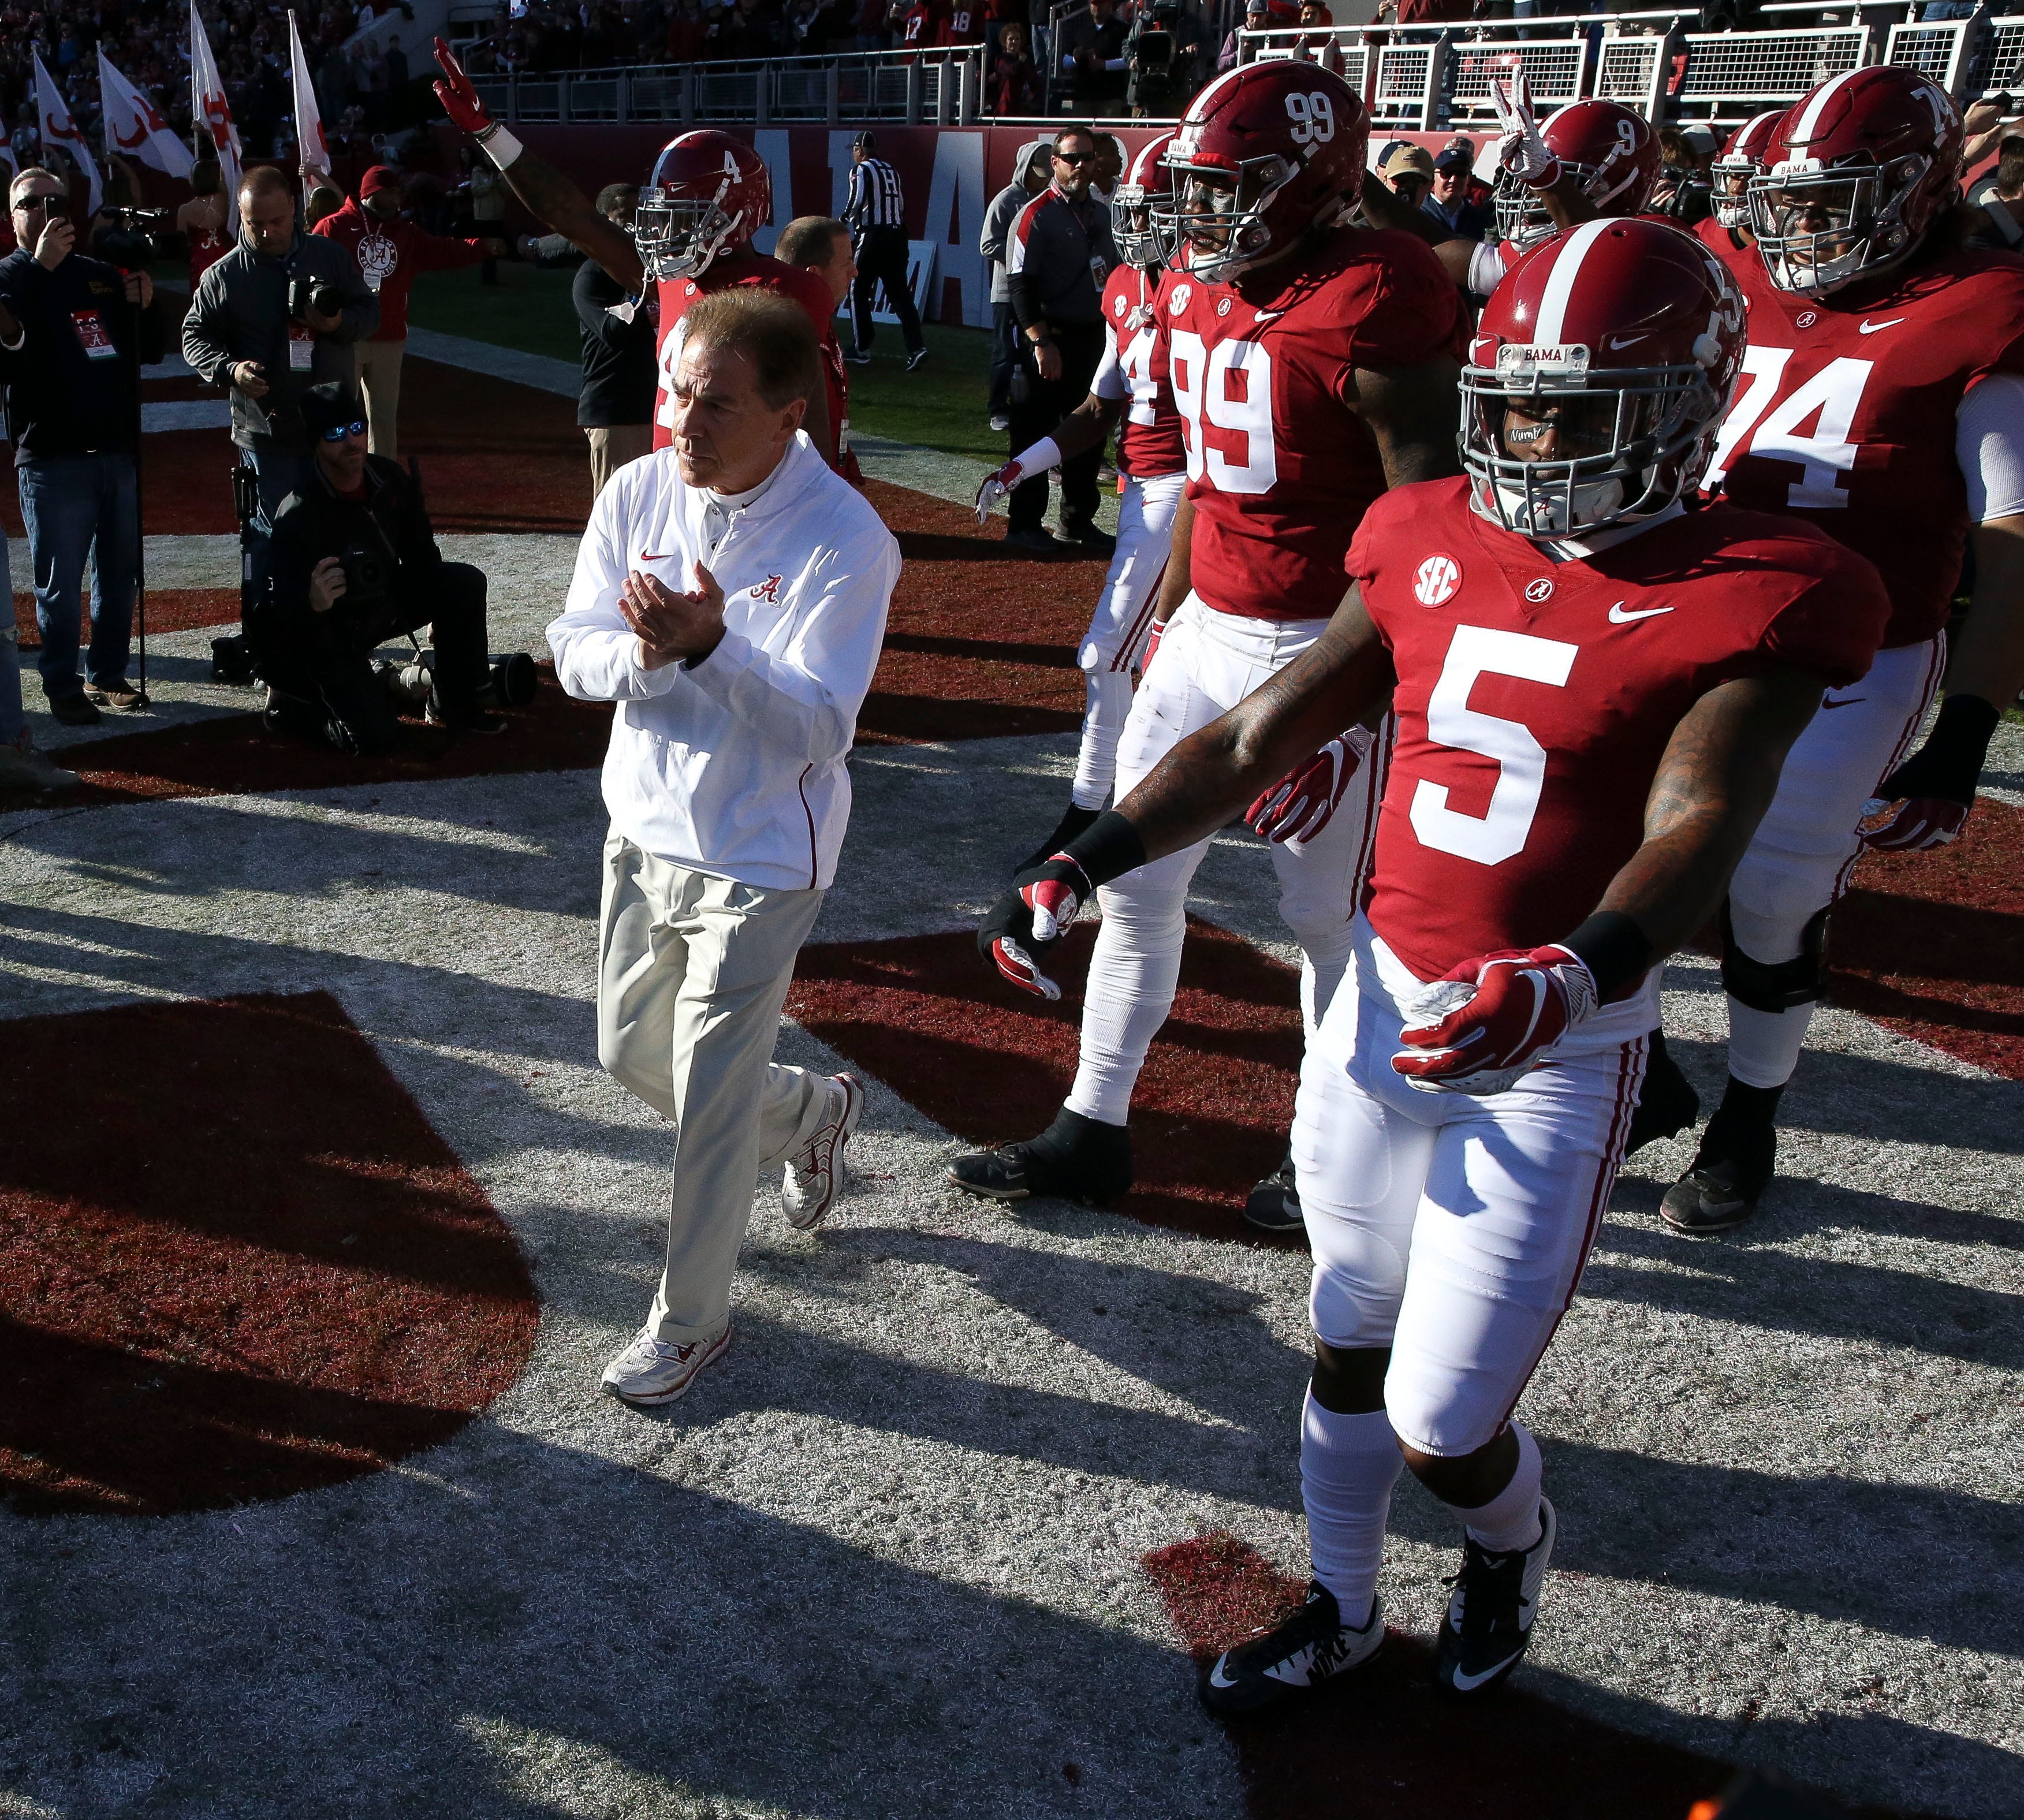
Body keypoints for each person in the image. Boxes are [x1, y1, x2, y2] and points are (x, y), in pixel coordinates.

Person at [981, 217, 1888, 1712]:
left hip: (1551, 1048)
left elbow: (1701, 813)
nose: (1529, 436)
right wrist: (1083, 856)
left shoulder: (1762, 582)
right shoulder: (1424, 531)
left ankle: (1507, 1541)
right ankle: (1338, 1606)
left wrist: (1575, 972)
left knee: (1441, 1414)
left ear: (1677, 406)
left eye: (1570, 408)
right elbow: (1263, 731)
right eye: (1513, 398)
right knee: (1345, 1337)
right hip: (1378, 1012)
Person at [952, 61, 1464, 1234]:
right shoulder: (1191, 280)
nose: (1197, 214)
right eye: (1193, 187)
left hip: (1329, 644)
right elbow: (1194, 490)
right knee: (1133, 888)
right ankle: (1092, 1125)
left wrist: (1373, 694)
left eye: (1227, 187)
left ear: (1313, 187)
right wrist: (1161, 629)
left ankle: (1334, 1155)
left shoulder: (1378, 287)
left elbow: (1431, 531)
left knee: (1331, 922)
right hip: (1209, 628)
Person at [1652, 67, 2024, 1232]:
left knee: (1771, 890)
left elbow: (2010, 529)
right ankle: (1642, 1065)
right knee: (1585, 845)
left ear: (1916, 195)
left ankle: (1749, 1109)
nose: (1800, 229)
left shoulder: (1983, 303)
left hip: (1852, 651)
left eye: (1835, 201)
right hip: (1682, 613)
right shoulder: (1731, 255)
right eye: (1789, 201)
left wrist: (1967, 724)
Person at [546, 290, 900, 1408]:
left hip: (757, 855)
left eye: (717, 403)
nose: (685, 424)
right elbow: (571, 647)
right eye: (676, 394)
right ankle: (809, 1112)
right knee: (621, 1054)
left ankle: (688, 1322)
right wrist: (654, 661)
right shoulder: (637, 485)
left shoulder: (846, 536)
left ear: (791, 412)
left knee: (706, 1103)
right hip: (640, 824)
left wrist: (712, 651)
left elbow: (823, 728)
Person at [431, 41, 842, 469]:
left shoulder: (786, 292)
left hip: (749, 503)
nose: (665, 233)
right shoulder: (672, 278)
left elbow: (809, 436)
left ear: (737, 215)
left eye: (683, 218)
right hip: (671, 494)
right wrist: (489, 132)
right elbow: (571, 216)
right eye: (661, 217)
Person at [975, 134, 1187, 864]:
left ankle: (1088, 813)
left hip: (1190, 493)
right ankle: (1156, 797)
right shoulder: (1128, 285)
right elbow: (1100, 408)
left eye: (1157, 208)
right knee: (1161, 661)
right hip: (1143, 486)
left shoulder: (1222, 291)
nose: (1140, 222)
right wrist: (1021, 467)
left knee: (1107, 655)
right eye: (1135, 208)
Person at [0, 166, 169, 726]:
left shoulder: (100, 274)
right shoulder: (9, 277)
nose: (47, 210)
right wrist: (40, 268)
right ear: (12, 216)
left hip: (116, 452)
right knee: (61, 583)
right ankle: (60, 682)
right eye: (32, 203)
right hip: (52, 457)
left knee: (120, 574)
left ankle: (108, 672)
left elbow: (151, 351)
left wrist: (146, 305)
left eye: (56, 200)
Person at [262, 380, 502, 750]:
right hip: (327, 629)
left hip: (381, 602)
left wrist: (439, 610)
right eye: (336, 433)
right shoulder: (298, 513)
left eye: (358, 429)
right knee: (374, 741)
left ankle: (454, 702)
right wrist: (313, 602)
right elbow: (281, 615)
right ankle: (296, 706)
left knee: (463, 583)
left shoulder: (389, 480)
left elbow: (423, 557)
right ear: (316, 442)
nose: (352, 442)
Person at [183, 165, 381, 609]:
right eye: (256, 224)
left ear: (294, 206)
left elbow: (370, 313)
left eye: (277, 220)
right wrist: (230, 370)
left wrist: (336, 322)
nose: (268, 232)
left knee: (342, 532)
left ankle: (343, 637)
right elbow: (194, 336)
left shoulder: (329, 256)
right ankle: (271, 644)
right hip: (268, 435)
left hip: (331, 430)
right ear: (240, 215)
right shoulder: (224, 275)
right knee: (272, 539)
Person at [312, 165, 509, 457]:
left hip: (389, 336)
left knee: (384, 419)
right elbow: (310, 269)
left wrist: (480, 247)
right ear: (373, 193)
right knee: (340, 415)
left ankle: (383, 479)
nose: (399, 199)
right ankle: (334, 478)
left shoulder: (407, 233)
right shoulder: (334, 227)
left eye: (399, 193)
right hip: (345, 335)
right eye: (392, 193)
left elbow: (444, 250)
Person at [1002, 125, 1120, 556]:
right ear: (1054, 162)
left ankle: (1076, 521)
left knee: (1089, 430)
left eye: (1087, 158)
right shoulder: (1036, 214)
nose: (1080, 166)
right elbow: (1019, 284)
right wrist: (1040, 341)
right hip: (1050, 337)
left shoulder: (1101, 214)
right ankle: (1024, 524)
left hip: (1092, 336)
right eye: (1072, 158)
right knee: (1034, 433)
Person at [574, 183, 657, 499]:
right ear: (603, 224)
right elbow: (613, 332)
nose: (637, 225)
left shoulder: (660, 270)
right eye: (626, 217)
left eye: (641, 215)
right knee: (616, 513)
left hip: (656, 408)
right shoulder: (592, 277)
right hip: (616, 412)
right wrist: (639, 287)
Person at [979, 136, 1050, 434]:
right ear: (1025, 168)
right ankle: (998, 408)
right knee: (1005, 352)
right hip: (1007, 293)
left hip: (1038, 293)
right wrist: (1021, 255)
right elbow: (987, 244)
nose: (1042, 178)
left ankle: (1027, 405)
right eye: (1037, 170)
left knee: (1031, 353)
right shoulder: (1006, 200)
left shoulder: (1047, 201)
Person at [842, 130, 925, 371]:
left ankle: (862, 349)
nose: (855, 155)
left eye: (855, 150)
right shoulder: (891, 170)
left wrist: (842, 221)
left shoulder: (861, 170)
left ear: (860, 150)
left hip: (872, 236)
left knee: (858, 289)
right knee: (900, 295)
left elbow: (857, 200)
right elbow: (900, 205)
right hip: (897, 237)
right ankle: (917, 347)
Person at [178, 156, 231, 292]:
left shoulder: (185, 210)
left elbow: (181, 240)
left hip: (200, 258)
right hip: (223, 254)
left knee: (202, 295)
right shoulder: (224, 198)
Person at [1423, 139, 1490, 241]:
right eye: (1446, 173)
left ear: (1469, 178)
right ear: (1433, 177)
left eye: (1461, 173)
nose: (1453, 180)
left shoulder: (1480, 218)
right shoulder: (1418, 213)